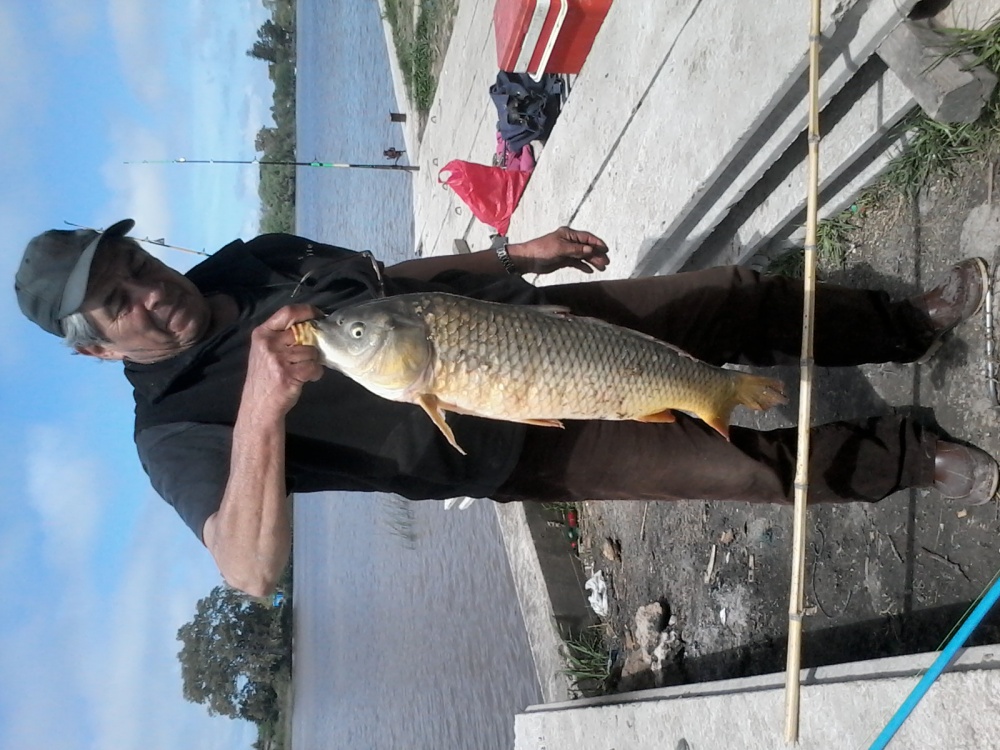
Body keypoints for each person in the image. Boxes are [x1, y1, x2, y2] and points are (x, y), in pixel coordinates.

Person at [14, 221, 999, 596]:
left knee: (722, 297)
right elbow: (246, 568)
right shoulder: (170, 430)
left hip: (520, 332)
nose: (151, 292)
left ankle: (903, 321)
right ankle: (908, 456)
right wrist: (265, 404)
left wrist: (509, 258)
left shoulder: (245, 261)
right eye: (118, 301)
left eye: (136, 264)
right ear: (96, 345)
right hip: (507, 451)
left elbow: (385, 280)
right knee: (732, 464)